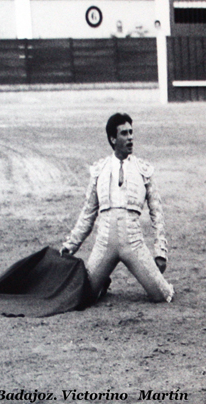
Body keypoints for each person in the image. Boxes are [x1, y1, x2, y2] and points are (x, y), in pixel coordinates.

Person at [60, 113, 174, 303]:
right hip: (104, 243)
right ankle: (102, 283)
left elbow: (157, 213)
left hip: (134, 243)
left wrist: (160, 251)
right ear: (113, 139)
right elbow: (87, 214)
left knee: (162, 295)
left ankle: (101, 281)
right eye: (124, 133)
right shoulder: (99, 170)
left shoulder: (143, 169)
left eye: (131, 132)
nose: (130, 137)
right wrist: (70, 246)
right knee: (83, 297)